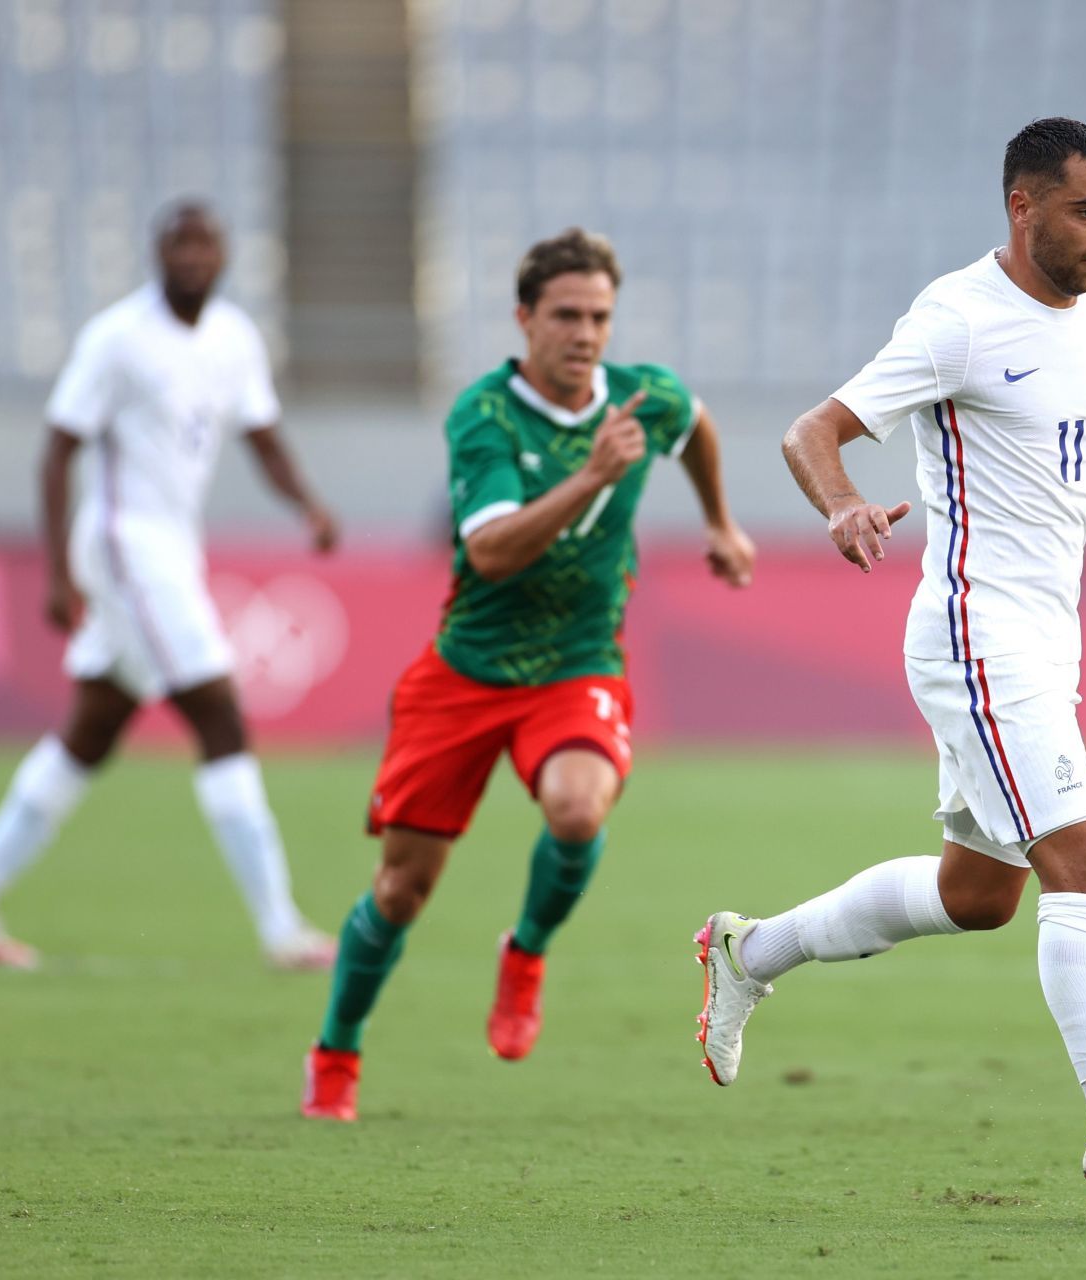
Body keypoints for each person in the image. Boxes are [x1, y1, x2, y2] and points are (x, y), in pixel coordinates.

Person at [693, 119, 1086, 1201]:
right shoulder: (957, 319)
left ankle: (749, 950)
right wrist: (840, 506)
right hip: (979, 635)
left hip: (1041, 634)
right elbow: (811, 432)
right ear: (1024, 207)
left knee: (978, 894)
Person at [301, 227, 756, 1121]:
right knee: (400, 891)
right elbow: (490, 551)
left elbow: (695, 423)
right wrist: (592, 477)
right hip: (465, 672)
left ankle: (527, 951)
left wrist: (720, 522)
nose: (584, 334)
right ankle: (336, 1053)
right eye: (565, 316)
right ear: (524, 319)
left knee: (580, 809)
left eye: (599, 317)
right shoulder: (485, 416)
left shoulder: (641, 397)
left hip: (577, 662)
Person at [0, 200, 341, 972]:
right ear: (156, 253)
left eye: (205, 243)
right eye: (179, 243)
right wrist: (55, 570)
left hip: (172, 548)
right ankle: (281, 928)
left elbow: (263, 436)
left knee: (92, 730)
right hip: (125, 546)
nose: (192, 256)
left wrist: (307, 504)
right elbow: (57, 451)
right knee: (219, 715)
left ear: (224, 256)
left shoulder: (233, 339)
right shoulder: (117, 339)